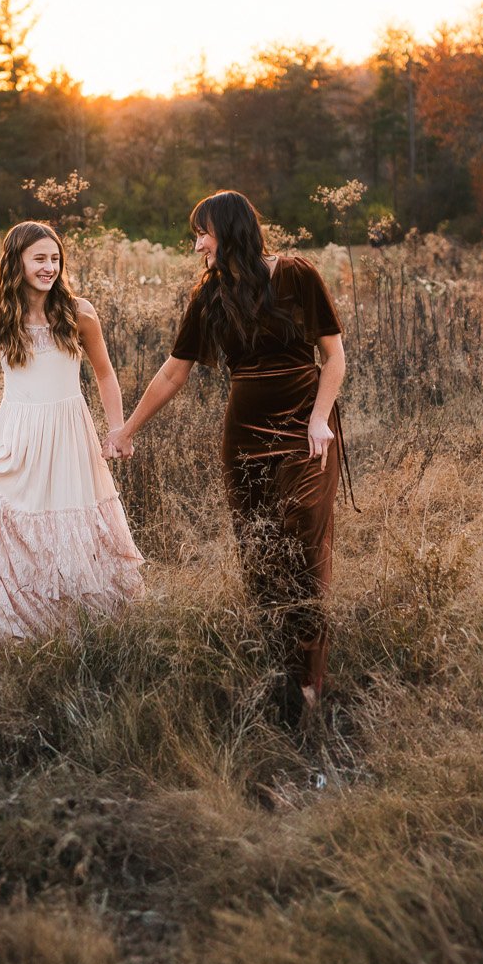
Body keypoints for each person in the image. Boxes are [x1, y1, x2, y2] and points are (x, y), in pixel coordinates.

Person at [107, 190, 347, 723]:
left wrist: (319, 419)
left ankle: (312, 685)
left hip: (307, 433)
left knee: (302, 538)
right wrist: (126, 429)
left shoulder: (296, 275)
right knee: (260, 556)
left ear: (230, 230)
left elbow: (333, 355)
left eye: (203, 233)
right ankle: (279, 674)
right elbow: (174, 372)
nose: (196, 246)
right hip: (244, 439)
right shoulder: (210, 297)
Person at [0, 221, 144, 640]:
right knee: (27, 520)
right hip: (18, 431)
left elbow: (105, 374)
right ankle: (26, 620)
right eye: (39, 258)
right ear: (16, 261)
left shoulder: (79, 312)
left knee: (73, 515)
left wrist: (116, 429)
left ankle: (87, 623)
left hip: (70, 431)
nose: (49, 267)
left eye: (55, 259)